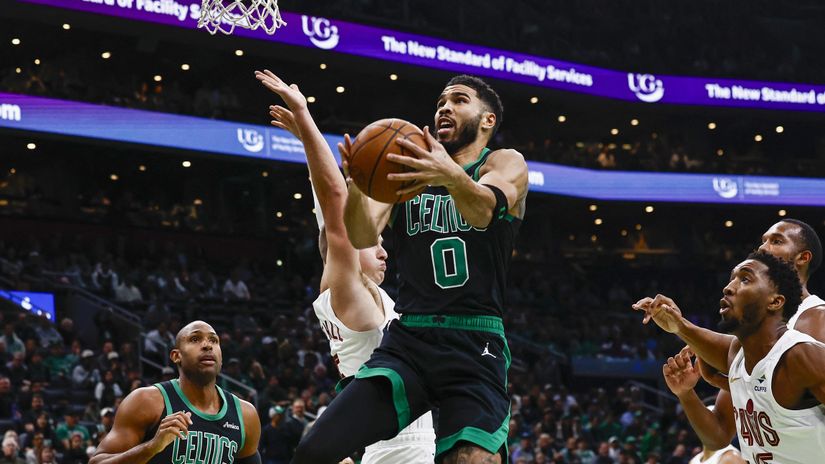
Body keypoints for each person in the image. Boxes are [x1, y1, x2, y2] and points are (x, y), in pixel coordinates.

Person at [288, 73, 529, 464]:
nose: (444, 108)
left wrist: (446, 173)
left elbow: (484, 210)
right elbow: (362, 234)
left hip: (474, 341)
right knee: (314, 452)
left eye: (459, 100)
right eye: (440, 103)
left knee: (470, 459)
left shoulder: (503, 161)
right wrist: (360, 183)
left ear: (487, 121)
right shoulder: (407, 176)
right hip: (410, 339)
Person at [256, 69, 436, 463]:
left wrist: (413, 165)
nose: (385, 251)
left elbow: (341, 211)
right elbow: (337, 206)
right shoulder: (350, 293)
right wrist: (305, 118)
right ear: (349, 251)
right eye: (375, 245)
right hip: (401, 453)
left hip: (390, 448)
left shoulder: (357, 289)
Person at [633, 251, 825, 463]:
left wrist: (681, 327)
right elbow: (716, 440)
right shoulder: (738, 355)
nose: (728, 287)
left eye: (744, 279)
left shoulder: (802, 355)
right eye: (732, 278)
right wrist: (685, 393)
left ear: (775, 301)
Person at [665, 219, 824, 452]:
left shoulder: (817, 323)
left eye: (776, 241)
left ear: (803, 258)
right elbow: (720, 432)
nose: (762, 248)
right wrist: (697, 390)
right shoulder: (748, 341)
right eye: (763, 241)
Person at [89, 320, 261, 464]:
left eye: (214, 341)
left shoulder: (245, 415)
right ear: (176, 356)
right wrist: (152, 447)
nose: (207, 345)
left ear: (221, 357)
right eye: (195, 339)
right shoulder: (146, 401)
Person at [662, 347, 744, 464]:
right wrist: (685, 392)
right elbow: (717, 437)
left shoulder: (731, 458)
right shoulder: (695, 460)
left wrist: (686, 332)